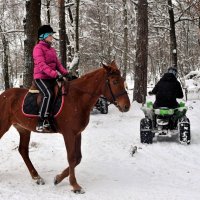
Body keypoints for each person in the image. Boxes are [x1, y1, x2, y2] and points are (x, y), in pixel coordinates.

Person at [33, 25, 69, 132]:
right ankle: (41, 120)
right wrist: (55, 74)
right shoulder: (37, 48)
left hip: (51, 77)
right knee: (48, 94)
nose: (52, 37)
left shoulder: (52, 49)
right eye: (50, 35)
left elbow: (58, 64)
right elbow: (41, 65)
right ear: (43, 36)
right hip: (41, 77)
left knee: (62, 91)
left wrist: (66, 74)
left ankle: (53, 117)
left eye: (52, 35)